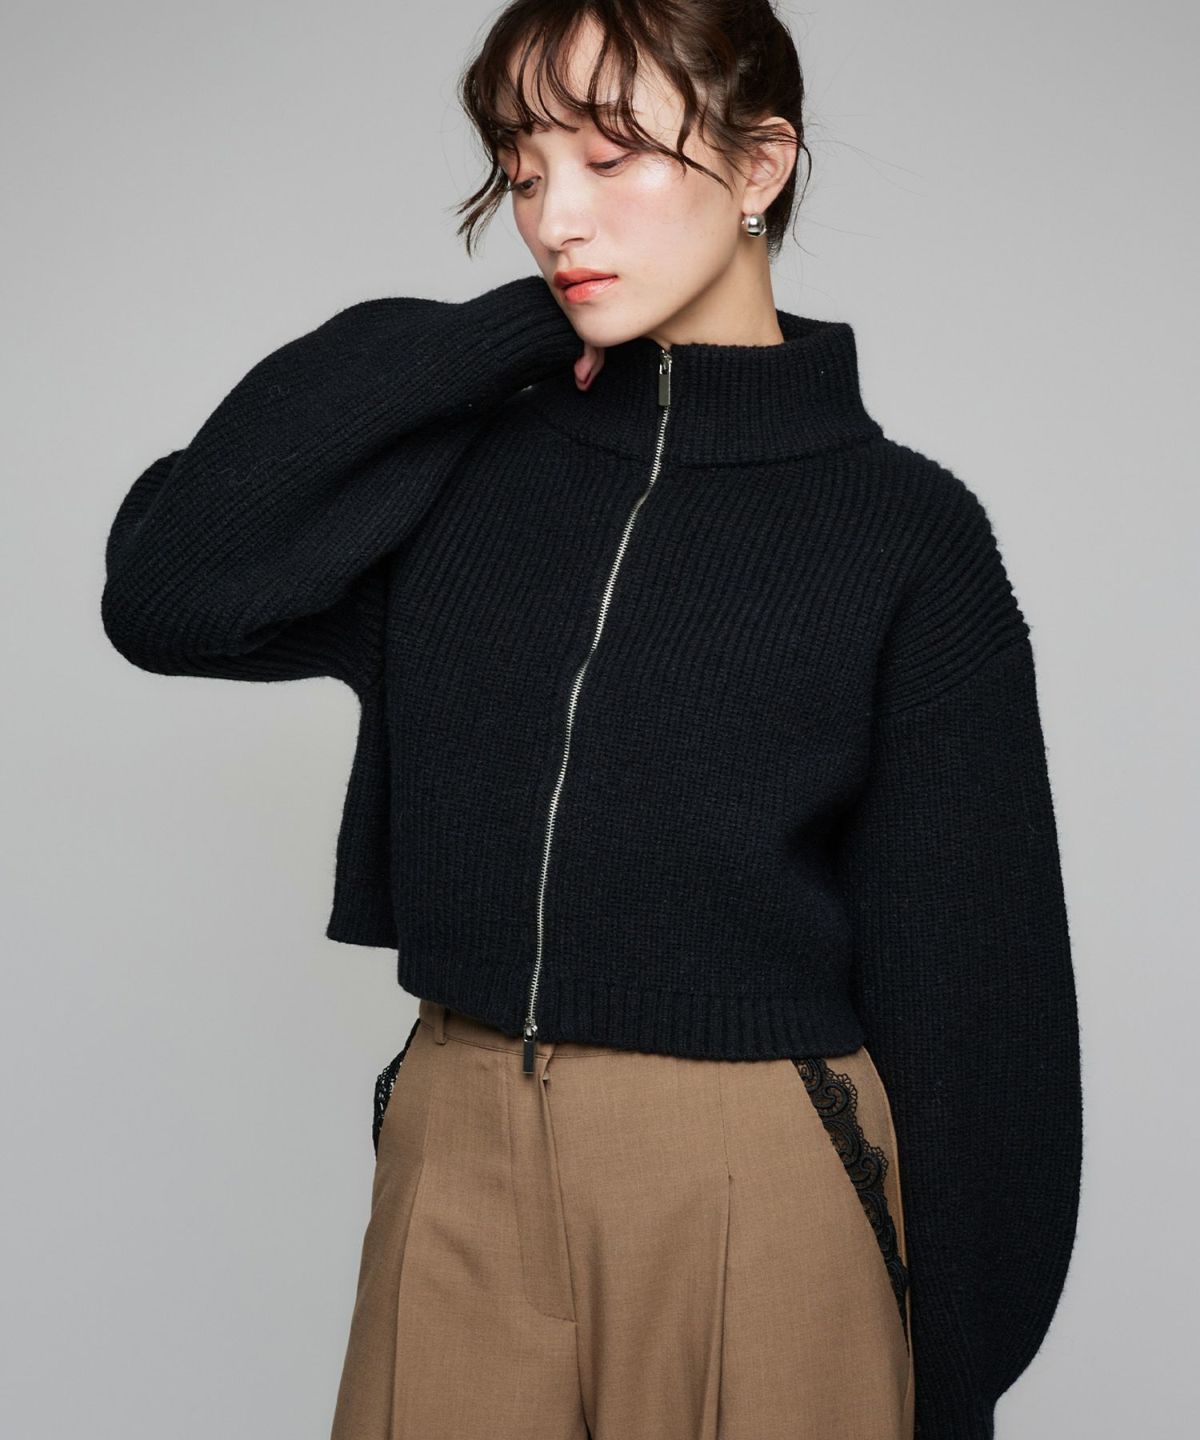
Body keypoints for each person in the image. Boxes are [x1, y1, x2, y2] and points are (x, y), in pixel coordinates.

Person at [100, 3, 1083, 1437]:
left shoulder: (905, 532)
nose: (557, 216)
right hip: (460, 1152)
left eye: (612, 158)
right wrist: (496, 336)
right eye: (522, 167)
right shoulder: (460, 473)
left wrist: (955, 1381)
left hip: (763, 1170)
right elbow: (173, 593)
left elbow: (976, 990)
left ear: (760, 166)